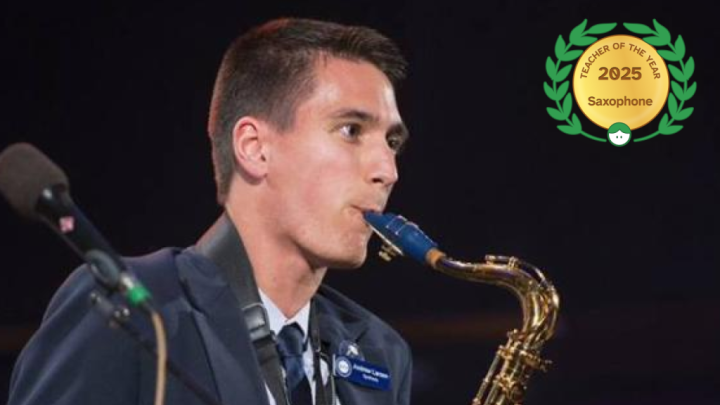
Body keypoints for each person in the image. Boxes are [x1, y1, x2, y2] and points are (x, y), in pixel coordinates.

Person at [7, 18, 412, 405]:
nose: (388, 171)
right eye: (351, 131)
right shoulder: (126, 311)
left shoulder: (381, 352)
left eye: (392, 142)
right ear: (254, 148)